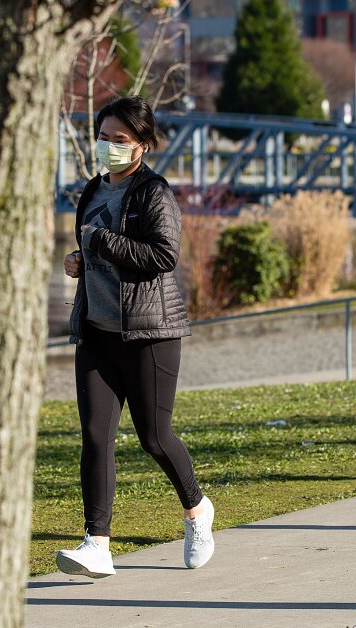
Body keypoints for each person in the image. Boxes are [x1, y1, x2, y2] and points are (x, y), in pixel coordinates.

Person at [56, 96, 214, 579]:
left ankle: (197, 510)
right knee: (95, 437)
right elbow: (91, 248)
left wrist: (102, 243)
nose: (108, 148)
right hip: (98, 332)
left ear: (142, 145)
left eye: (119, 140)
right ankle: (97, 544)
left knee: (153, 436)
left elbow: (163, 255)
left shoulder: (153, 193)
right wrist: (78, 260)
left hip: (149, 333)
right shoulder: (93, 190)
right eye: (103, 138)